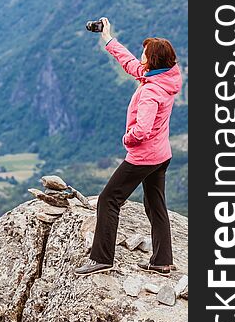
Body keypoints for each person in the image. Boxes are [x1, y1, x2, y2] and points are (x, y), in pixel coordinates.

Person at [75, 18, 182, 277]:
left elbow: (142, 130)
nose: (141, 58)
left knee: (108, 199)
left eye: (145, 55)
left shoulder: (150, 93)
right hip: (161, 155)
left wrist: (127, 139)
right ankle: (162, 261)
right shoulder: (166, 79)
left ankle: (102, 258)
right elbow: (131, 64)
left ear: (152, 62)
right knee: (156, 205)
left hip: (143, 156)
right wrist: (108, 38)